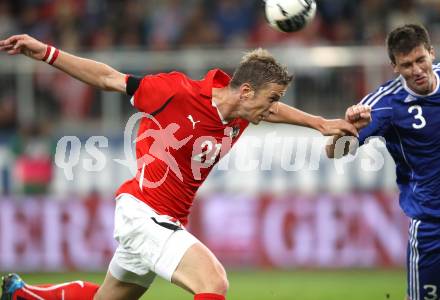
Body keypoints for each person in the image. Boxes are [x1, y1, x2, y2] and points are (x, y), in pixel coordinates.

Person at [0, 34, 370, 300]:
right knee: (213, 282)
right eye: (269, 99)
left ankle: (23, 294)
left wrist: (321, 123)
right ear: (245, 93)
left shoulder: (242, 113)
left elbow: (273, 110)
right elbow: (108, 78)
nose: (271, 108)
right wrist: (46, 52)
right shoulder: (177, 92)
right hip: (142, 212)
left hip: (165, 220)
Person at [327, 24, 440, 300]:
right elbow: (336, 151)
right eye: (406, 64)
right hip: (432, 226)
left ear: (432, 53)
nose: (416, 70)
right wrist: (349, 128)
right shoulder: (384, 104)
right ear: (394, 66)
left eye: (420, 60)